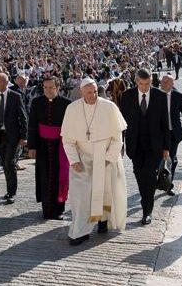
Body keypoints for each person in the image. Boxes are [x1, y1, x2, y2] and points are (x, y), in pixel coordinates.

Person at [61, 78, 127, 246]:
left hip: (105, 157)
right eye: (89, 92)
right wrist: (74, 160)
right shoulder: (72, 109)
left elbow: (117, 139)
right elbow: (67, 139)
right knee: (81, 197)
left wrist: (108, 158)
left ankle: (103, 221)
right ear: (81, 92)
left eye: (95, 92)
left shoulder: (109, 107)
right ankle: (80, 231)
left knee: (105, 192)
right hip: (82, 159)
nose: (93, 95)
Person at [119, 68, 170, 226]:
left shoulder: (160, 96)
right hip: (135, 145)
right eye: (141, 84)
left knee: (150, 177)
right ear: (136, 81)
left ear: (151, 82)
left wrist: (166, 148)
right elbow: (121, 123)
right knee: (140, 177)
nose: (144, 87)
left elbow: (165, 123)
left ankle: (147, 211)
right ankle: (145, 200)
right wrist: (121, 144)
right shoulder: (126, 96)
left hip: (154, 145)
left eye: (147, 84)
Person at [27, 76, 71, 220]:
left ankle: (59, 210)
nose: (48, 90)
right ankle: (46, 209)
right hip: (42, 146)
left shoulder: (66, 104)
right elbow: (32, 125)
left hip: (60, 146)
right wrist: (32, 146)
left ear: (58, 88)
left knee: (60, 176)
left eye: (51, 87)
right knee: (44, 176)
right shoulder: (36, 102)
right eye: (45, 87)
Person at [0, 73, 28, 204]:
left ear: (7, 83)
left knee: (10, 162)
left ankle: (11, 192)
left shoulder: (15, 96)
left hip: (13, 136)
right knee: (4, 163)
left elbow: (23, 118)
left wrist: (24, 137)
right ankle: (9, 189)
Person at [160, 74, 182, 196]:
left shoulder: (178, 96)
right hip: (160, 134)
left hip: (174, 133)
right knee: (160, 159)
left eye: (166, 82)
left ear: (172, 84)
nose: (163, 84)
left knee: (170, 160)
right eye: (162, 82)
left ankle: (169, 185)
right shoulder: (155, 95)